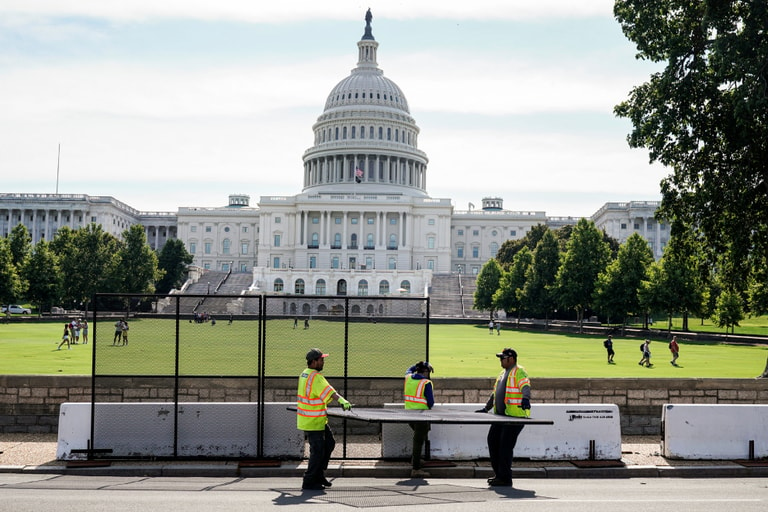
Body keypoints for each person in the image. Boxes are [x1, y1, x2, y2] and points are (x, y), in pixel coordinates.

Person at [296, 348, 351, 491]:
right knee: (318, 451)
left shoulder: (304, 374)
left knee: (329, 444)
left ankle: (318, 475)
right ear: (314, 362)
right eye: (321, 360)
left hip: (312, 419)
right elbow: (329, 391)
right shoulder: (315, 377)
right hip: (313, 420)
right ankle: (309, 480)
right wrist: (342, 400)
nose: (323, 362)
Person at [476, 347, 531, 487]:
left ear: (511, 359)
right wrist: (486, 408)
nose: (500, 360)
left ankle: (505, 478)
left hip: (514, 417)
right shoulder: (502, 374)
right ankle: (499, 475)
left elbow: (525, 385)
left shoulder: (519, 371)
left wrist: (526, 398)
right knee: (493, 441)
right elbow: (495, 394)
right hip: (500, 417)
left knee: (505, 447)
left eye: (502, 358)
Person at [404, 361, 434, 478]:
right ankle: (416, 468)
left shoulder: (408, 378)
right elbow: (430, 402)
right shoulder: (426, 383)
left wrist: (419, 364)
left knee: (419, 438)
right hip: (422, 415)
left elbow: (408, 369)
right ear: (425, 372)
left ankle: (415, 460)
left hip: (409, 414)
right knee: (418, 440)